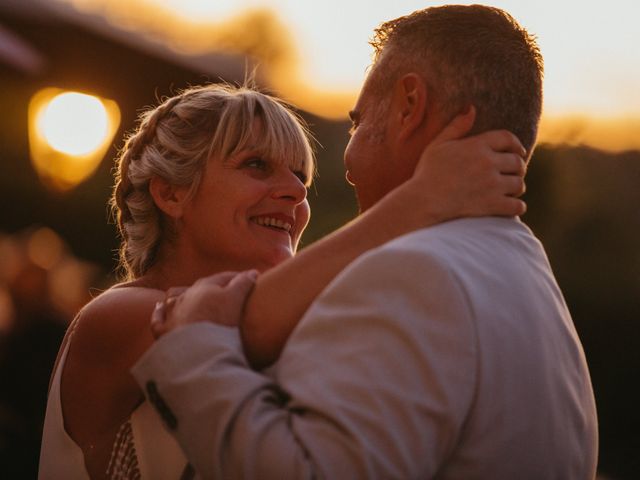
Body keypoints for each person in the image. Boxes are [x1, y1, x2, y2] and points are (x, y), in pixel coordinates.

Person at [132, 5, 598, 479]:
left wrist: (196, 351)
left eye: (357, 123)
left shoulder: (414, 276)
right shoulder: (534, 283)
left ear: (409, 105)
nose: (346, 163)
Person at [38, 77, 526, 479]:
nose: (294, 191)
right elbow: (230, 325)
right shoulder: (115, 318)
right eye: (256, 165)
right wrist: (422, 198)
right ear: (171, 193)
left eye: (301, 177)